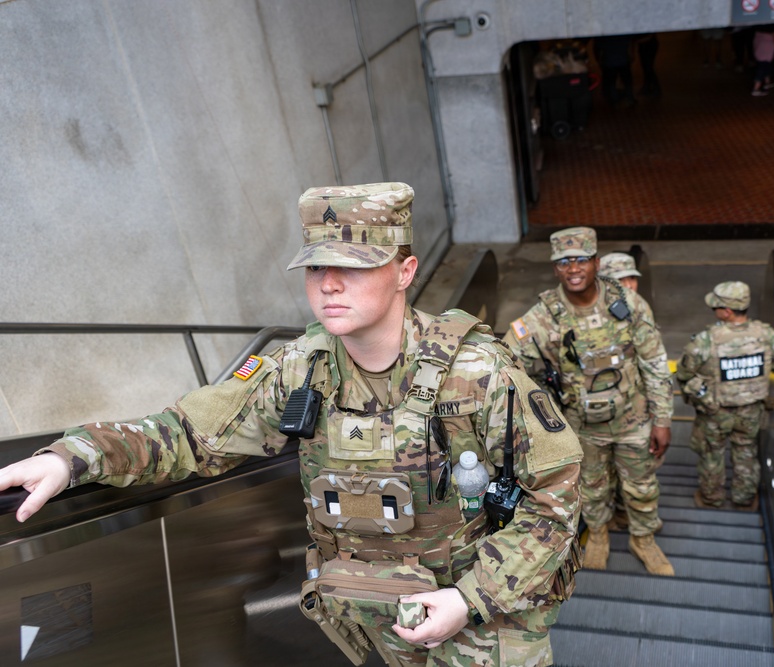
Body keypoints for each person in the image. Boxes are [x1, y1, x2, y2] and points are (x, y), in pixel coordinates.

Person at [0, 183, 584, 667]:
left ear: (405, 271)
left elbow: (556, 499)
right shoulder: (295, 369)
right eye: (317, 267)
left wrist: (468, 597)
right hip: (376, 614)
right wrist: (72, 457)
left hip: (481, 620)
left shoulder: (479, 373)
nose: (328, 284)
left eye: (354, 267)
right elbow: (188, 435)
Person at [503, 227, 675, 577]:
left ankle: (642, 539)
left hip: (633, 417)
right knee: (592, 488)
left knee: (641, 485)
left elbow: (655, 363)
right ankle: (597, 535)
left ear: (596, 262)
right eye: (564, 262)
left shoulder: (627, 303)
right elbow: (507, 358)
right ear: (556, 269)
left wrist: (663, 419)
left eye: (581, 259)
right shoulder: (544, 314)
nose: (573, 268)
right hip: (581, 424)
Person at [675, 282, 774, 510]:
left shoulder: (705, 340)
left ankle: (711, 498)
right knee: (746, 452)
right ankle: (744, 499)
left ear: (727, 312)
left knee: (711, 455)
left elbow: (684, 373)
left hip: (715, 412)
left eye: (716, 307)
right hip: (751, 411)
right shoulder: (767, 335)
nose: (714, 311)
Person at [596, 251, 644, 531]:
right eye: (621, 279)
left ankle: (629, 520)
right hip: (594, 419)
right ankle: (603, 527)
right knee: (598, 479)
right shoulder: (587, 317)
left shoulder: (638, 311)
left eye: (633, 279)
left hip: (634, 414)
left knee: (638, 477)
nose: (630, 285)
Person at [751, 27, 774, 97]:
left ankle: (767, 82)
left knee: (764, 65)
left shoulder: (758, 28)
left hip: (759, 43)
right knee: (763, 66)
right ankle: (756, 88)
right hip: (767, 46)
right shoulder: (773, 28)